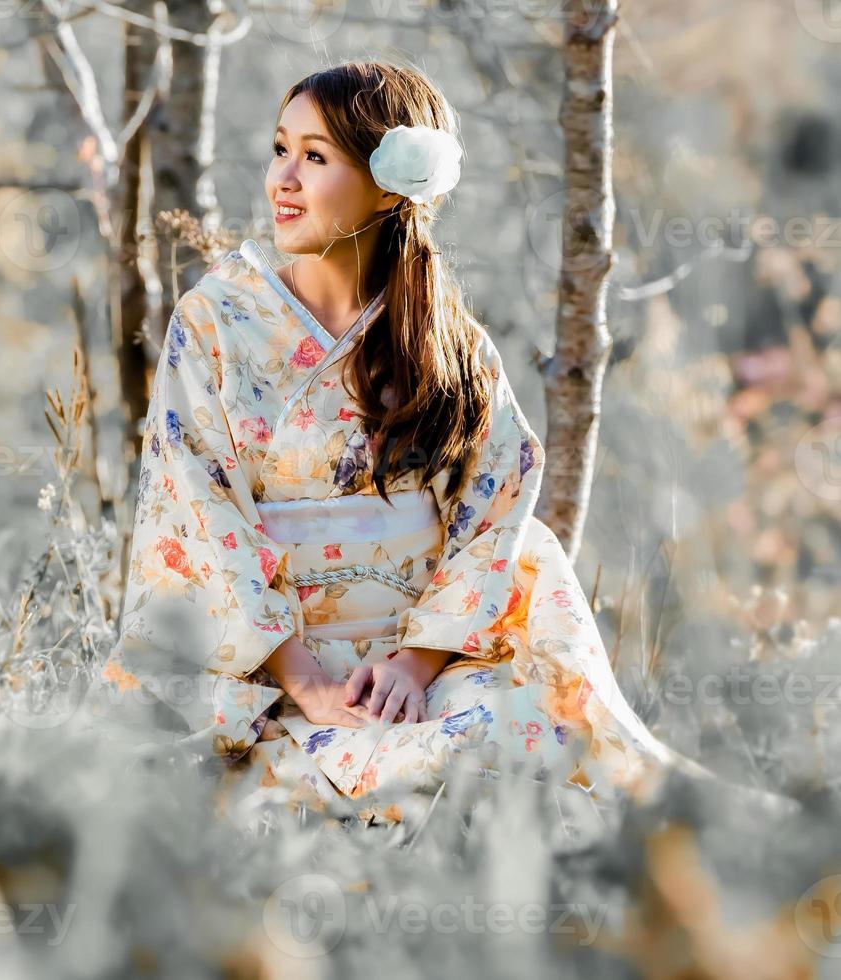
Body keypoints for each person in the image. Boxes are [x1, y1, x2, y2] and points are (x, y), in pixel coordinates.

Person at [89, 60, 726, 831]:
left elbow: (496, 506)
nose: (283, 179)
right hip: (267, 675)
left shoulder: (443, 338)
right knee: (386, 782)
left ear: (388, 185)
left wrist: (417, 661)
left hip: (421, 660)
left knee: (509, 743)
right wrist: (306, 682)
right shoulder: (217, 319)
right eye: (280, 148)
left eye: (316, 157)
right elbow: (197, 510)